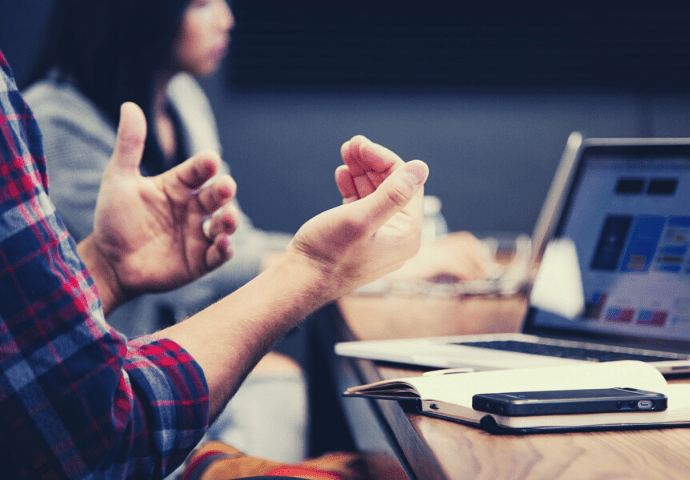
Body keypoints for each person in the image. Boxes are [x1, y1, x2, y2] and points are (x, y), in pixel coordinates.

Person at [22, 0, 490, 464]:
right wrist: (363, 264)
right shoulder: (55, 121)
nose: (227, 19)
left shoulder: (182, 97)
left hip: (162, 360)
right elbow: (202, 276)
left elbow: (227, 244)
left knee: (283, 385)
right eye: (202, 4)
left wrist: (355, 255)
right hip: (110, 394)